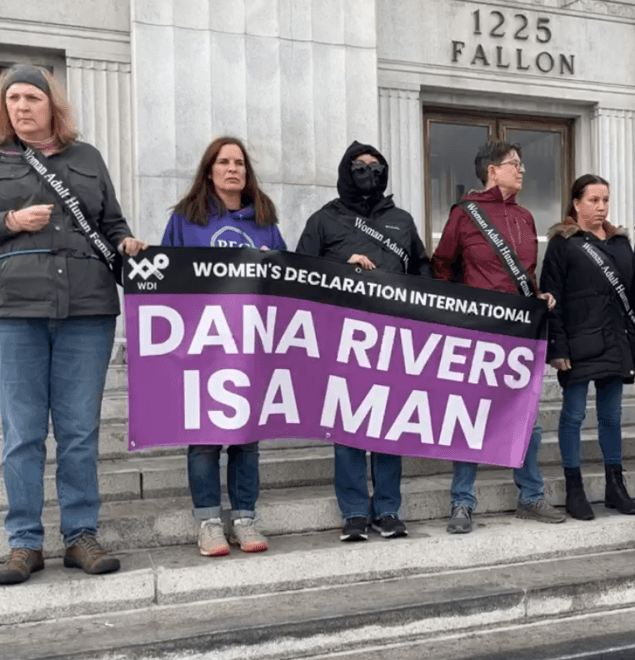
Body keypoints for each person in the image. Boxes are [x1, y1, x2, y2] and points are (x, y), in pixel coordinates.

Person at [0, 64, 149, 585]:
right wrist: (9, 222)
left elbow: (112, 224)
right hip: (11, 312)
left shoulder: (87, 159)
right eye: (11, 99)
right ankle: (24, 543)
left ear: (51, 104)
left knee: (80, 432)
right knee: (23, 433)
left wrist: (127, 243)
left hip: (87, 310)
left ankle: (81, 535)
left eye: (30, 97)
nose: (20, 107)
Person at [297, 140, 431, 542]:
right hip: (342, 340)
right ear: (345, 171)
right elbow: (302, 271)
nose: (368, 171)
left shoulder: (402, 221)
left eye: (375, 165)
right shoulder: (324, 220)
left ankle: (388, 509)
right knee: (348, 427)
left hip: (394, 339)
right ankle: (355, 511)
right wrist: (342, 264)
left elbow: (422, 271)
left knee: (390, 427)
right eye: (359, 165)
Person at [431, 139, 564, 533]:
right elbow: (442, 265)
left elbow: (526, 275)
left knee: (529, 421)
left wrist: (539, 296)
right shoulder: (465, 213)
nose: (522, 170)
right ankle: (462, 502)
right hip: (479, 331)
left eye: (522, 164)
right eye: (515, 164)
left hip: (521, 331)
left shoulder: (525, 217)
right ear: (493, 170)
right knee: (470, 418)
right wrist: (458, 309)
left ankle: (530, 496)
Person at [162, 137, 285, 556]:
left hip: (250, 340)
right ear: (209, 169)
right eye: (223, 162)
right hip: (202, 342)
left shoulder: (265, 220)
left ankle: (246, 517)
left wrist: (273, 265)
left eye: (239, 163)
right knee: (204, 437)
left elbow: (286, 279)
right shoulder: (185, 219)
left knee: (246, 436)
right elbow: (165, 277)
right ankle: (209, 522)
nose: (232, 169)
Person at [540, 174, 635, 520]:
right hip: (577, 345)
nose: (601, 206)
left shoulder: (621, 243)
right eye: (593, 200)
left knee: (611, 417)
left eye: (605, 199)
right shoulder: (563, 242)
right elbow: (551, 297)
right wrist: (557, 348)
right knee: (573, 416)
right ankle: (574, 489)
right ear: (576, 204)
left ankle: (614, 487)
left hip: (616, 342)